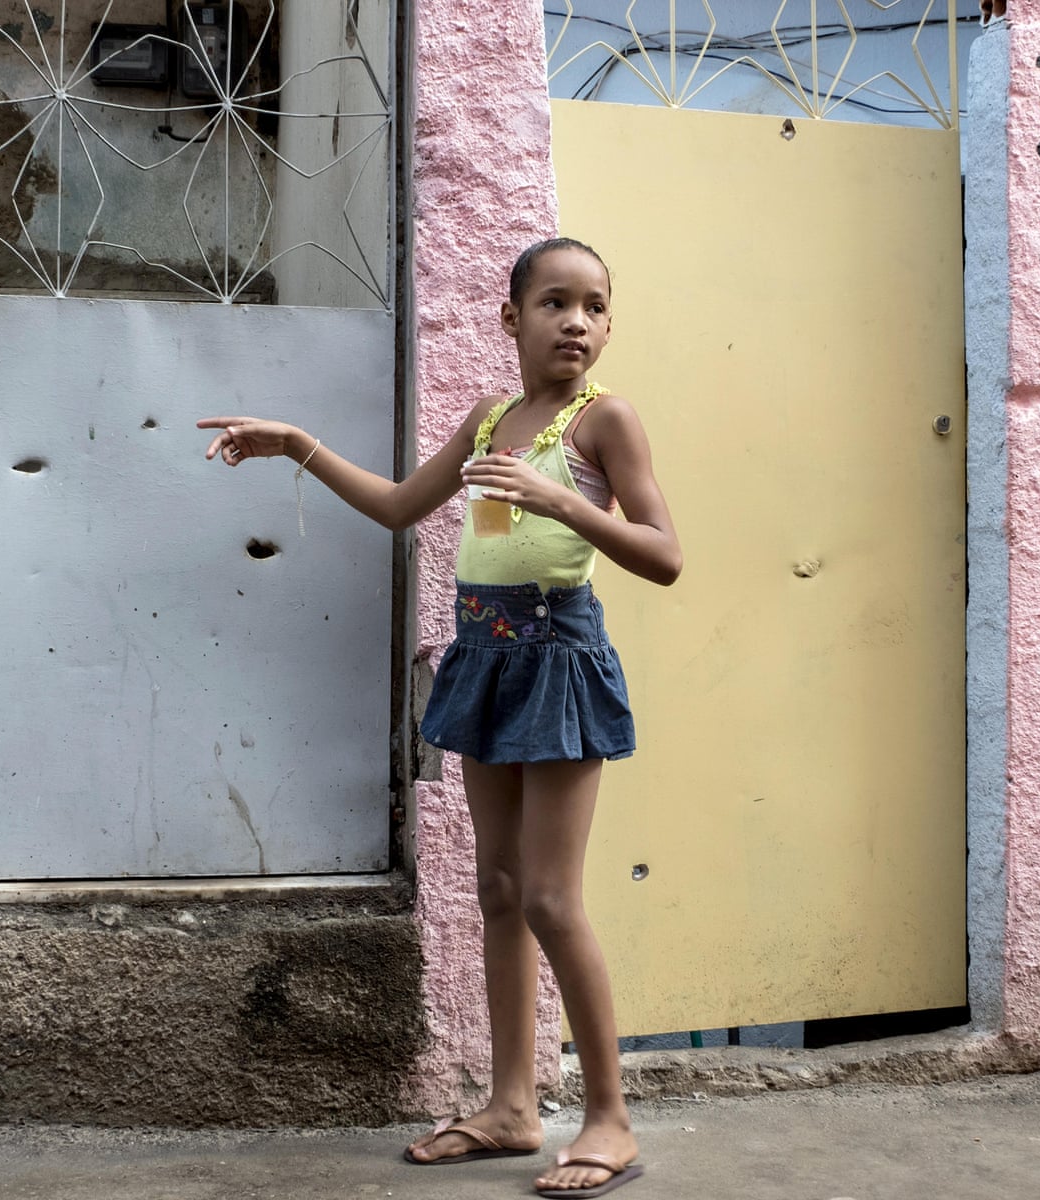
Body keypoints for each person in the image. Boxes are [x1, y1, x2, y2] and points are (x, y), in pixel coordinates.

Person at [197, 237, 681, 1198]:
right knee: (498, 892)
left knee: (550, 898)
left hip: (557, 661)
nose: (575, 322)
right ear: (513, 319)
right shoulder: (492, 417)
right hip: (485, 659)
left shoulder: (605, 421)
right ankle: (510, 1108)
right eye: (553, 303)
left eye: (594, 305)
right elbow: (399, 505)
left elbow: (664, 553)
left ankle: (610, 1119)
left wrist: (560, 500)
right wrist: (299, 444)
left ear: (609, 323)